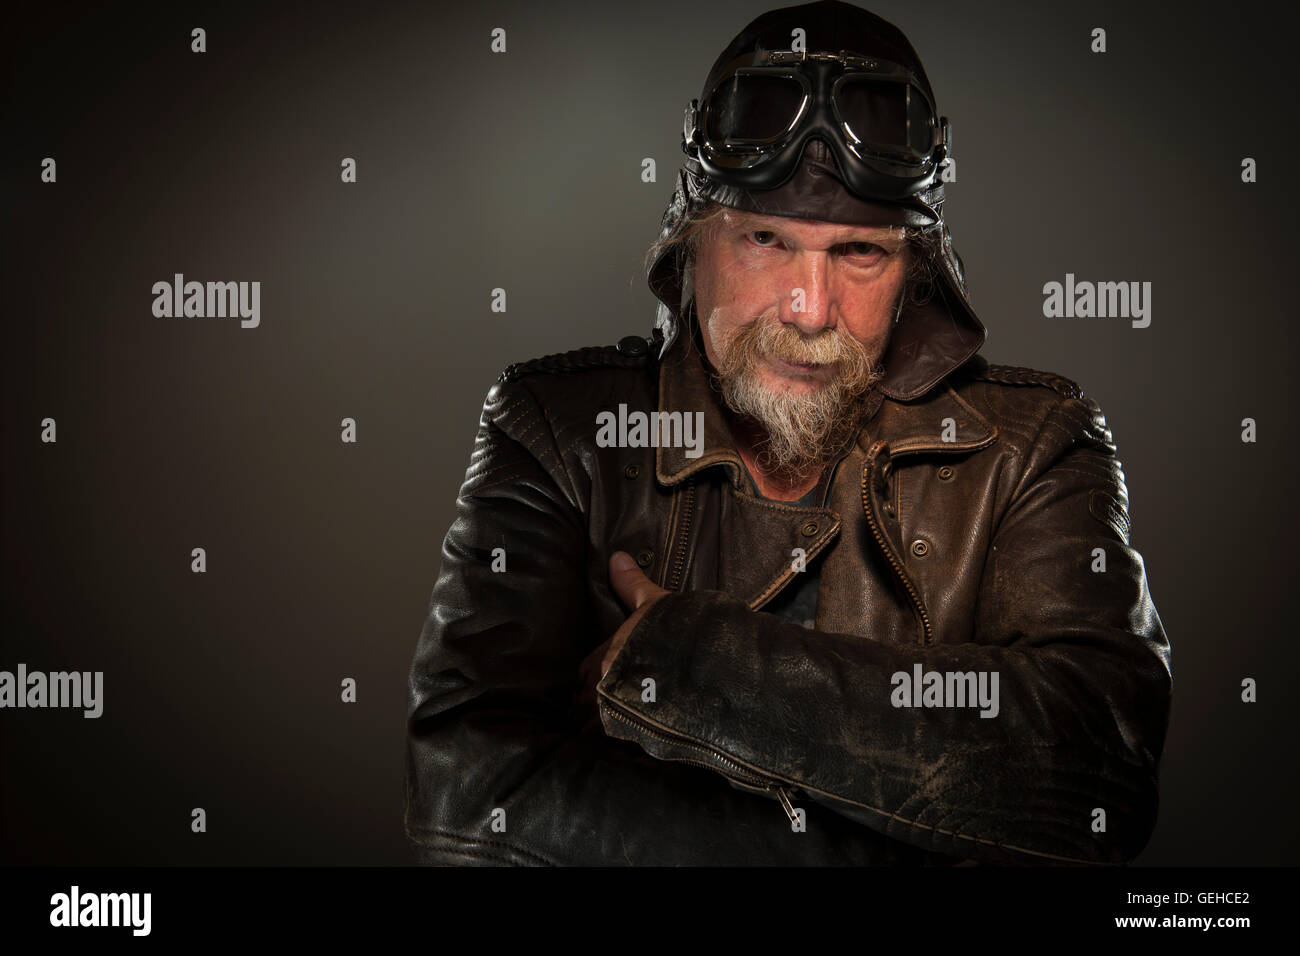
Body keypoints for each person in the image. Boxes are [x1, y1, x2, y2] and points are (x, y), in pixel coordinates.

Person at [404, 0, 1172, 866]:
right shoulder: (559, 435)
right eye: (766, 240)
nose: (810, 312)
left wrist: (697, 667)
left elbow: (1099, 778)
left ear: (915, 268)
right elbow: (467, 807)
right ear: (693, 244)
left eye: (859, 254)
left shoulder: (1033, 447)